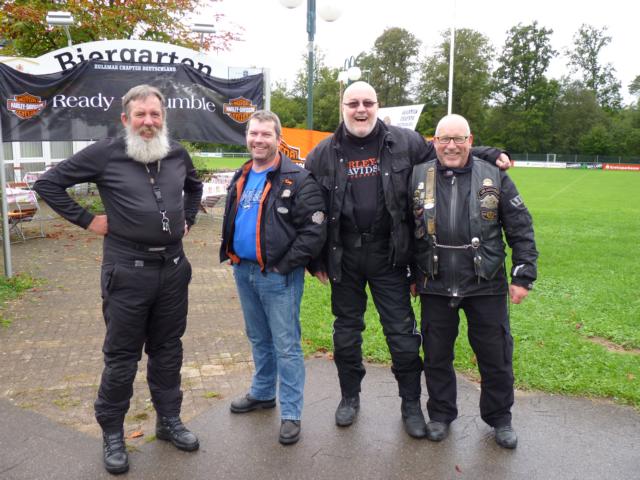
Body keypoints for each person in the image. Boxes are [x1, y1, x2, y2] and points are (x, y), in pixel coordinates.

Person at [304, 81, 510, 438]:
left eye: (368, 102)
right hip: (344, 256)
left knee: (401, 335)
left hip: (389, 255)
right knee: (346, 335)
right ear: (343, 107)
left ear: (377, 105)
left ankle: (411, 404)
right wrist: (314, 259)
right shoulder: (322, 153)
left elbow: (448, 149)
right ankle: (349, 397)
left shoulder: (404, 142)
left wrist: (490, 153)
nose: (361, 109)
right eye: (353, 103)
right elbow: (309, 208)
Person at [34, 84, 203, 474]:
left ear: (164, 118)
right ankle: (113, 433)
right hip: (128, 272)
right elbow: (48, 184)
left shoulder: (176, 153)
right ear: (125, 119)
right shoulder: (105, 153)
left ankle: (169, 420)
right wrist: (88, 220)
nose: (148, 121)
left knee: (168, 349)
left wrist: (189, 218)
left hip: (173, 270)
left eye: (155, 114)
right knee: (122, 357)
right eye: (140, 114)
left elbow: (194, 187)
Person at [410, 113, 538, 448]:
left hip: (486, 282)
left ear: (470, 140)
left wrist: (523, 274)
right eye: (444, 139)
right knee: (436, 355)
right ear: (434, 142)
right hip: (435, 282)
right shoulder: (417, 175)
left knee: (496, 356)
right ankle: (440, 414)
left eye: (458, 139)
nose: (451, 146)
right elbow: (404, 229)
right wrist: (411, 273)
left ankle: (500, 418)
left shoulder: (494, 175)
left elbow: (520, 227)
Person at [220, 110, 326, 445]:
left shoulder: (299, 179)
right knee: (258, 337)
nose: (258, 140)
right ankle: (263, 392)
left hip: (279, 277)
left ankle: (291, 412)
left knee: (286, 345)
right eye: (253, 134)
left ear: (278, 139)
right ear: (247, 137)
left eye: (266, 134)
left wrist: (283, 266)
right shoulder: (242, 173)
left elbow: (314, 232)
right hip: (244, 271)